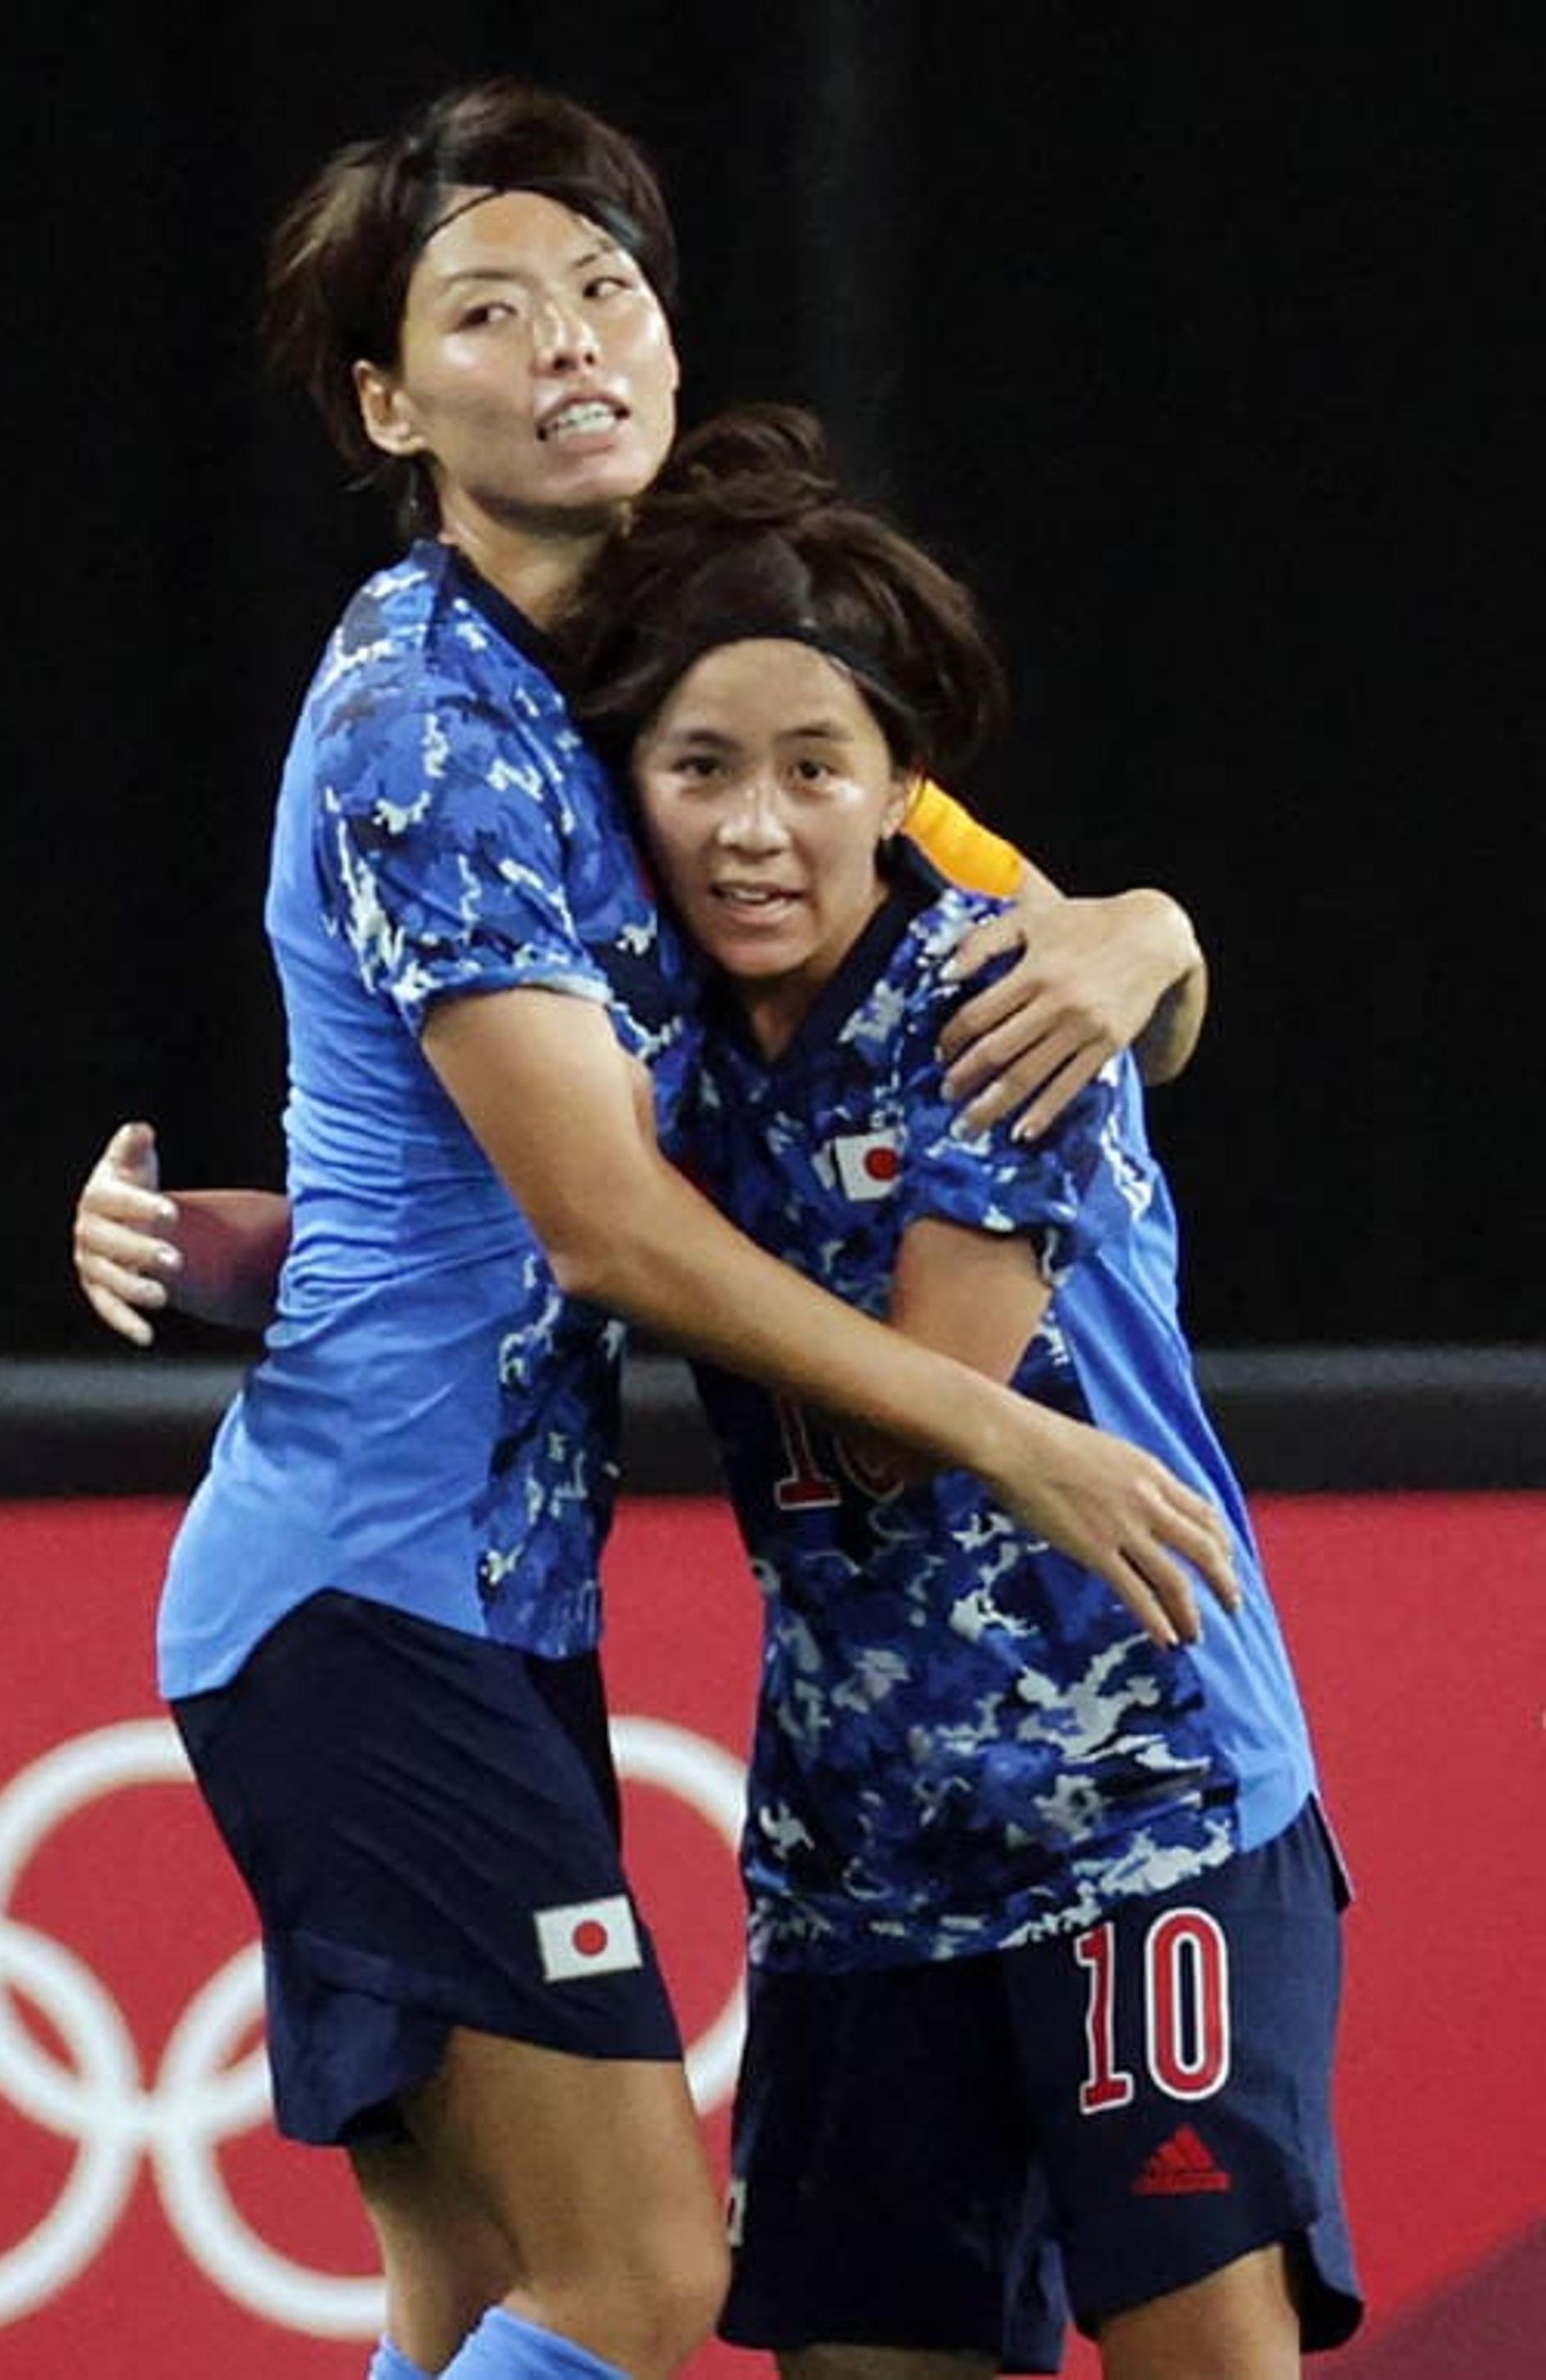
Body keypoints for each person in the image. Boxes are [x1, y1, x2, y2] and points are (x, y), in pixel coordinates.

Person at [76, 83, 1241, 2380]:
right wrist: (1005, 1436)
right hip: (362, 1597)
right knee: (643, 2287)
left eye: (607, 291)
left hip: (479, 1598)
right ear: (395, 405)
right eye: (490, 313)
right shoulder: (424, 723)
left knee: (470, 2294)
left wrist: (1143, 933)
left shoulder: (669, 686)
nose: (574, 341)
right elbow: (599, 1226)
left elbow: (1054, 949)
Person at [563, 404, 1356, 2376]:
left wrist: (621, 1229)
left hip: (1142, 1809)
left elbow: (931, 1392)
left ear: (900, 787)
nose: (756, 825)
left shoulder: (1003, 999)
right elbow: (428, 1225)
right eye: (702, 773)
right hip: (858, 1868)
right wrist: (193, 1240)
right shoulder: (630, 1034)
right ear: (634, 791)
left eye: (813, 773)